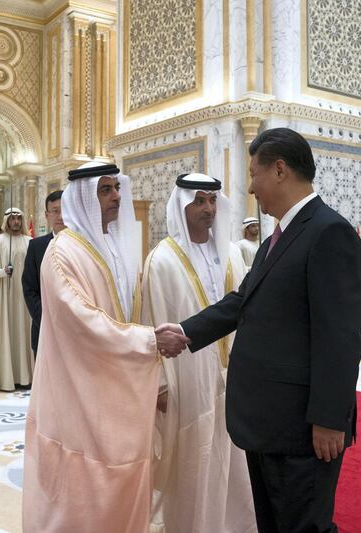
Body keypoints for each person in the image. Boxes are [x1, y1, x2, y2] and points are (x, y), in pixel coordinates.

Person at [158, 128, 361, 533]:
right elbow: (244, 300)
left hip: (302, 426)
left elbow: (340, 337)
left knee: (303, 525)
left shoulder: (328, 232)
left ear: (279, 170)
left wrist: (329, 420)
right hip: (268, 420)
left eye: (254, 174)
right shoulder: (284, 234)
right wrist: (186, 331)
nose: (251, 187)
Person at [22, 161, 189, 533]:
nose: (116, 197)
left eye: (117, 188)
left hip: (123, 389)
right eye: (105, 190)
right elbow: (83, 322)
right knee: (81, 489)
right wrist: (148, 341)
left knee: (124, 483)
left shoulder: (119, 248)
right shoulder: (62, 254)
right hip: (78, 394)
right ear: (83, 198)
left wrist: (158, 379)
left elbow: (136, 311)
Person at [141, 173, 255, 532]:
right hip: (187, 380)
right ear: (182, 204)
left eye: (212, 201)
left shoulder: (233, 254)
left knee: (237, 459)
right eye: (199, 200)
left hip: (234, 375)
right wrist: (159, 383)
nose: (208, 208)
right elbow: (151, 321)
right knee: (195, 458)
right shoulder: (162, 260)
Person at [0, 207, 33, 391]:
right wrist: (3, 272)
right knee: (7, 332)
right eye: (13, 219)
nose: (16, 222)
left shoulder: (29, 241)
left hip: (24, 300)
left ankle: (25, 376)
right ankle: (5, 377)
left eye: (19, 219)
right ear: (7, 221)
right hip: (5, 299)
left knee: (23, 332)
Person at [22, 190, 65, 356]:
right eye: (55, 211)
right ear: (47, 215)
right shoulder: (36, 246)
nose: (60, 216)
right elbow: (29, 289)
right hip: (44, 329)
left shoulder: (82, 245)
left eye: (64, 210)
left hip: (76, 331)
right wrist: (47, 320)